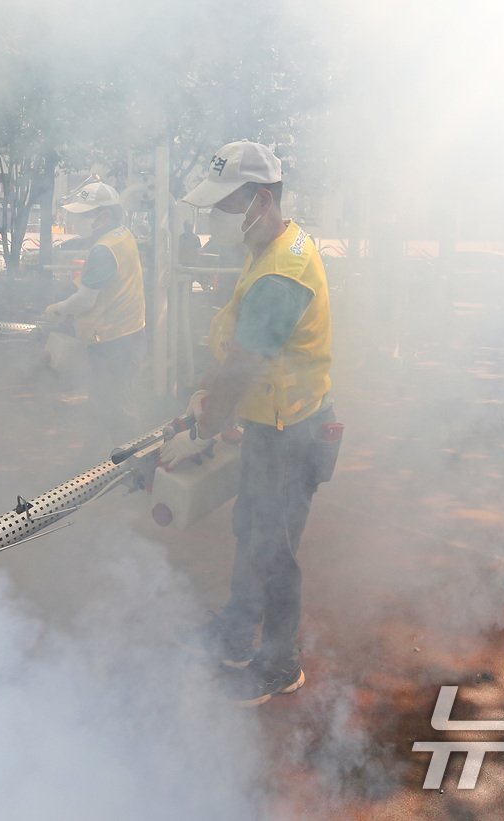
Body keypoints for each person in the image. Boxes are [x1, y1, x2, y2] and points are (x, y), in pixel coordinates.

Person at [161, 141, 341, 707]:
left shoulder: (281, 272)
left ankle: (279, 663)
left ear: (261, 199)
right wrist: (214, 397)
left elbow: (245, 363)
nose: (218, 220)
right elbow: (241, 346)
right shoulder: (275, 242)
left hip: (293, 434)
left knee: (275, 549)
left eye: (226, 206)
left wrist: (210, 417)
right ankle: (237, 634)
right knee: (252, 530)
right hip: (274, 424)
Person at [44, 182, 147, 458]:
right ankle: (90, 461)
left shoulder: (104, 249)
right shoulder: (123, 235)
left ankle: (138, 467)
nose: (79, 220)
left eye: (85, 214)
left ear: (106, 215)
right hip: (126, 332)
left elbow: (86, 300)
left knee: (119, 407)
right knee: (103, 402)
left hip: (114, 340)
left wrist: (59, 308)